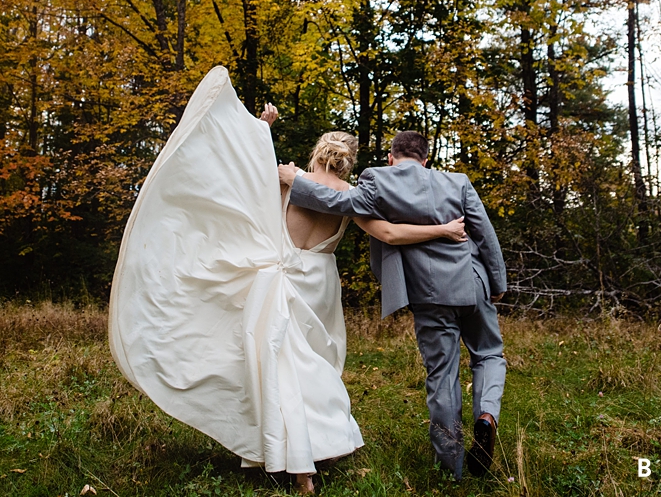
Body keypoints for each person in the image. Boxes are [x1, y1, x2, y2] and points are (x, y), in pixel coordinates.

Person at [108, 67, 465, 493]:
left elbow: (234, 182)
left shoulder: (288, 183)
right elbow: (389, 234)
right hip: (319, 286)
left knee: (282, 366)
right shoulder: (353, 199)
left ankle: (298, 464)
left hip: (281, 279)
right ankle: (314, 448)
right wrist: (443, 230)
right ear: (348, 161)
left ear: (317, 152)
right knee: (313, 364)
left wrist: (261, 130)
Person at [279, 130, 508, 480]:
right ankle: (487, 415)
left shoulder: (377, 179)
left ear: (391, 156)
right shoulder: (458, 182)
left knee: (442, 374)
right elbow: (484, 233)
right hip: (473, 282)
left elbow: (339, 203)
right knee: (489, 354)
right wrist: (498, 284)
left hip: (429, 292)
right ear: (426, 159)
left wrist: (296, 181)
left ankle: (453, 468)